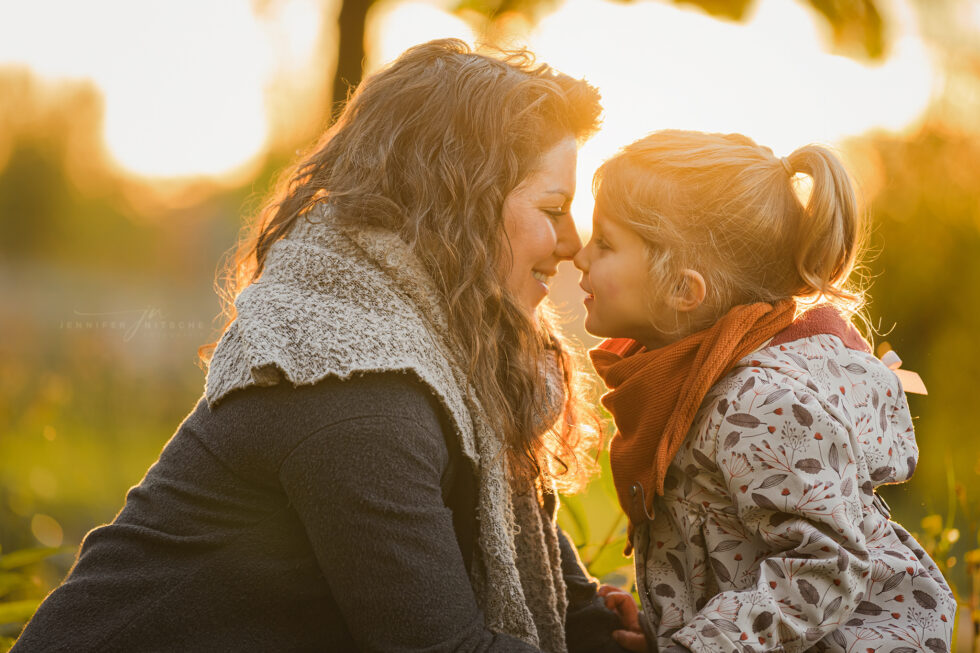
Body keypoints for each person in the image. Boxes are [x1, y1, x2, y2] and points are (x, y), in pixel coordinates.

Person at [14, 39, 630, 652]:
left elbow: (565, 607)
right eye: (554, 208)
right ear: (459, 204)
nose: (572, 241)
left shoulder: (459, 365)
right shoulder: (351, 387)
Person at [574, 130, 955, 652]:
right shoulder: (690, 386)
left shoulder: (758, 401)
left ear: (683, 290)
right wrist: (662, 628)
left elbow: (828, 566)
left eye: (605, 242)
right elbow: (738, 556)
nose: (578, 255)